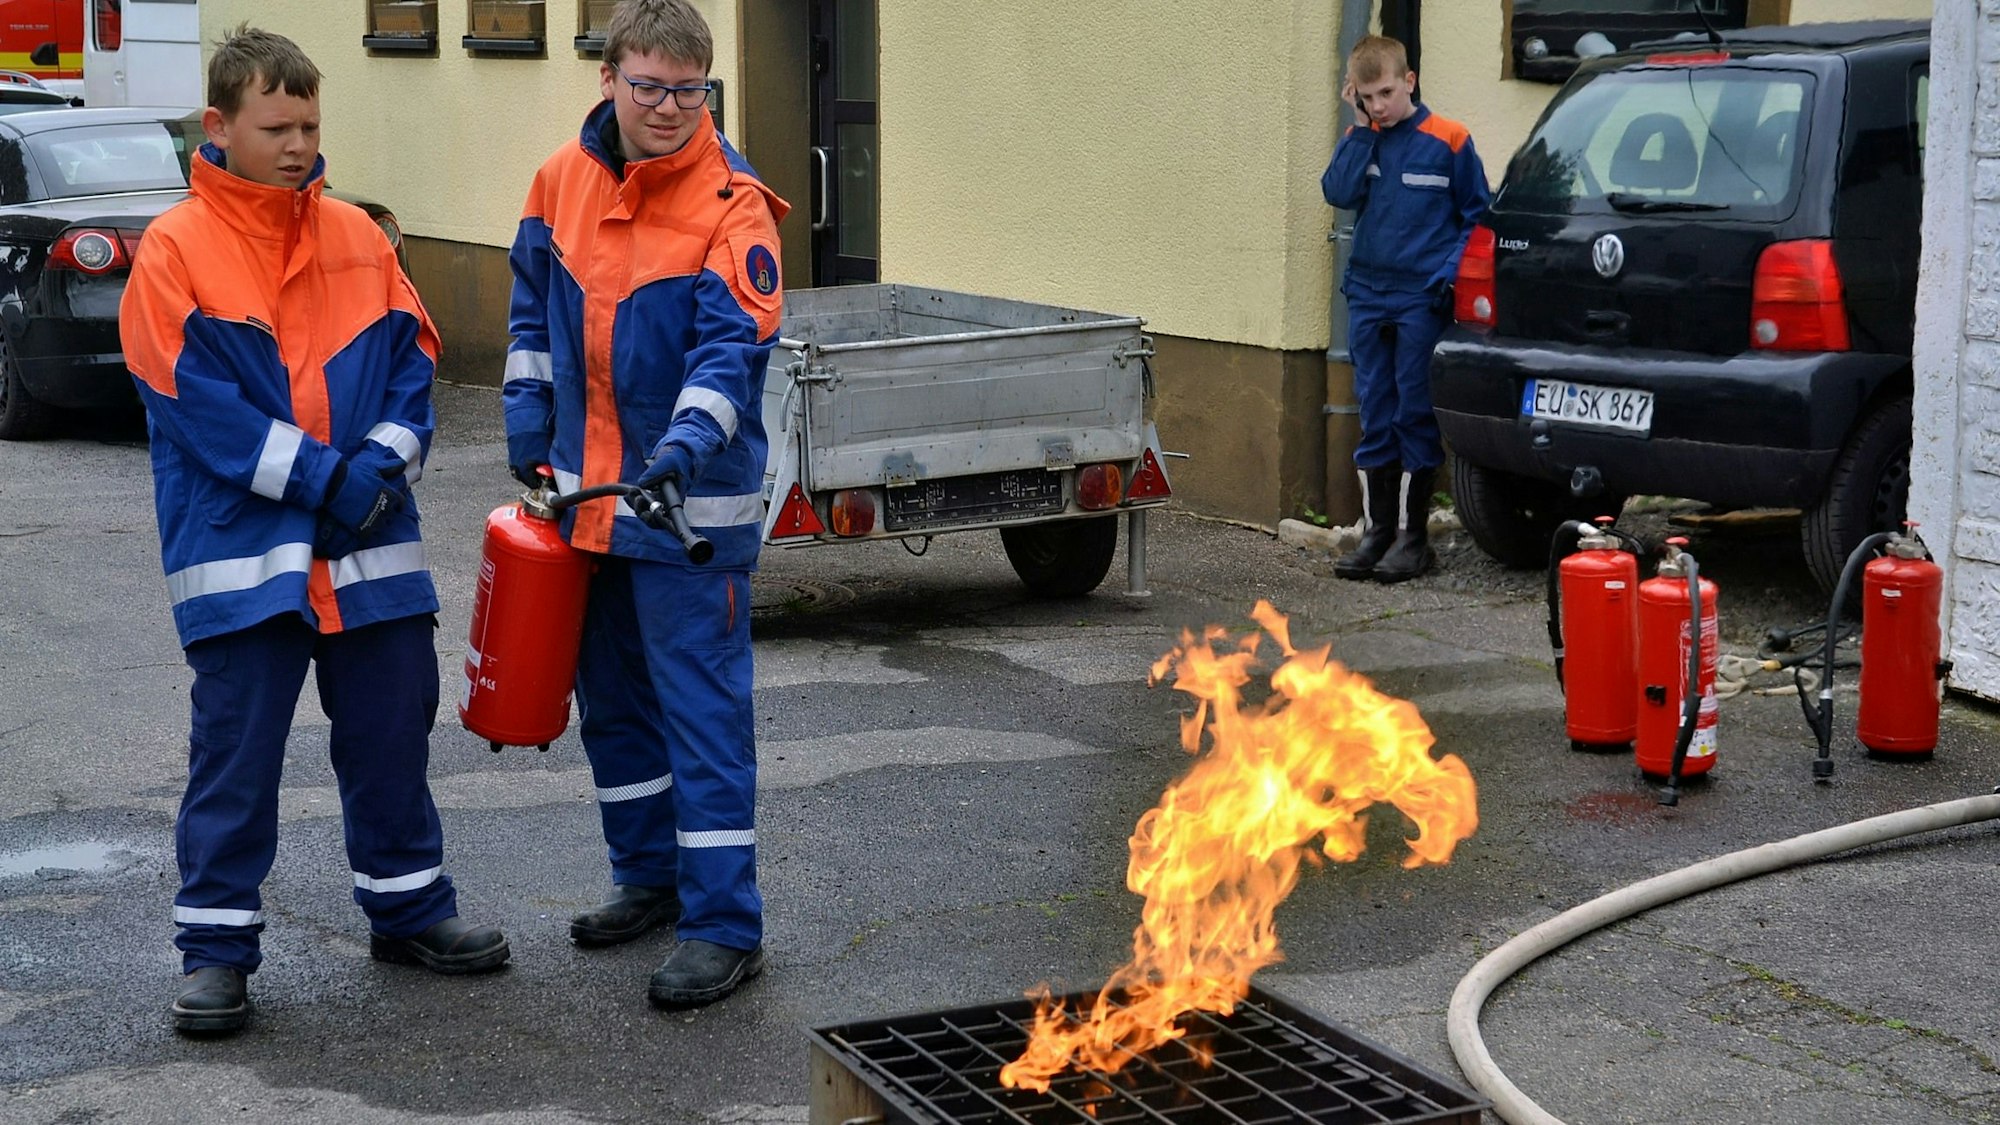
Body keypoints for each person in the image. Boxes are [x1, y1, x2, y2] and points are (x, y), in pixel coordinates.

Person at [120, 26, 508, 1036]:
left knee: (390, 736)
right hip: (245, 555)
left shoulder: (356, 236)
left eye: (309, 125)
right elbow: (191, 404)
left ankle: (410, 911)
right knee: (235, 757)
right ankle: (215, 954)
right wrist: (333, 479)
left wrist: (379, 466)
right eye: (275, 126)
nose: (297, 144)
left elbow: (413, 368)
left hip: (367, 548)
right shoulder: (174, 250)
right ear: (220, 125)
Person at [502, 0, 787, 1008]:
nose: (669, 108)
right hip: (584, 505)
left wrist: (682, 449)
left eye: (689, 89)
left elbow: (729, 353)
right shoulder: (556, 184)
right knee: (614, 710)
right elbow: (532, 322)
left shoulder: (734, 202)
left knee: (701, 719)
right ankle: (648, 880)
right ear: (607, 79)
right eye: (649, 87)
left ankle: (724, 926)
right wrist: (525, 433)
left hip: (686, 515)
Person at [1321, 34, 1491, 584]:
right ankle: (1377, 533)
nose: (1379, 106)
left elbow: (1476, 217)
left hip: (1422, 294)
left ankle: (1414, 540)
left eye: (1387, 93)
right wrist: (1362, 131)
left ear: (1409, 81)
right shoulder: (1364, 135)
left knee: (1411, 411)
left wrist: (1447, 278)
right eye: (1367, 97)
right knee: (1374, 409)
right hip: (1368, 291)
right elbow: (1338, 192)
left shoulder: (1450, 139)